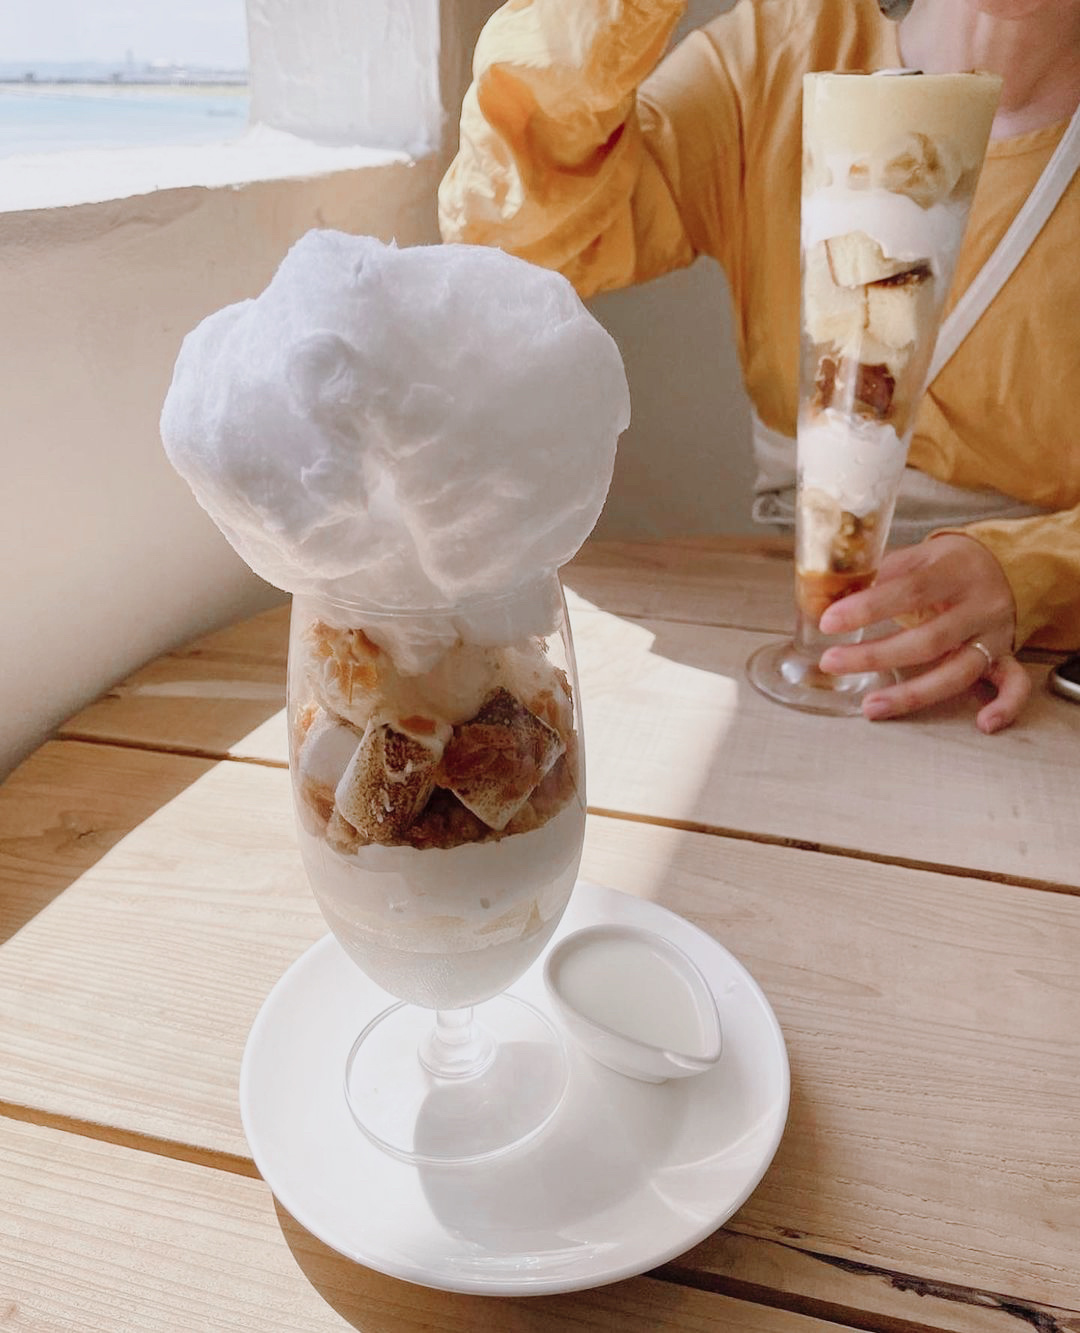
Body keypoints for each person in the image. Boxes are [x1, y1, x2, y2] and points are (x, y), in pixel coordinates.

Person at [438, 0, 1080, 733]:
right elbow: (515, 239)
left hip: (1030, 689)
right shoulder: (787, 47)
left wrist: (1033, 574)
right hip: (770, 643)